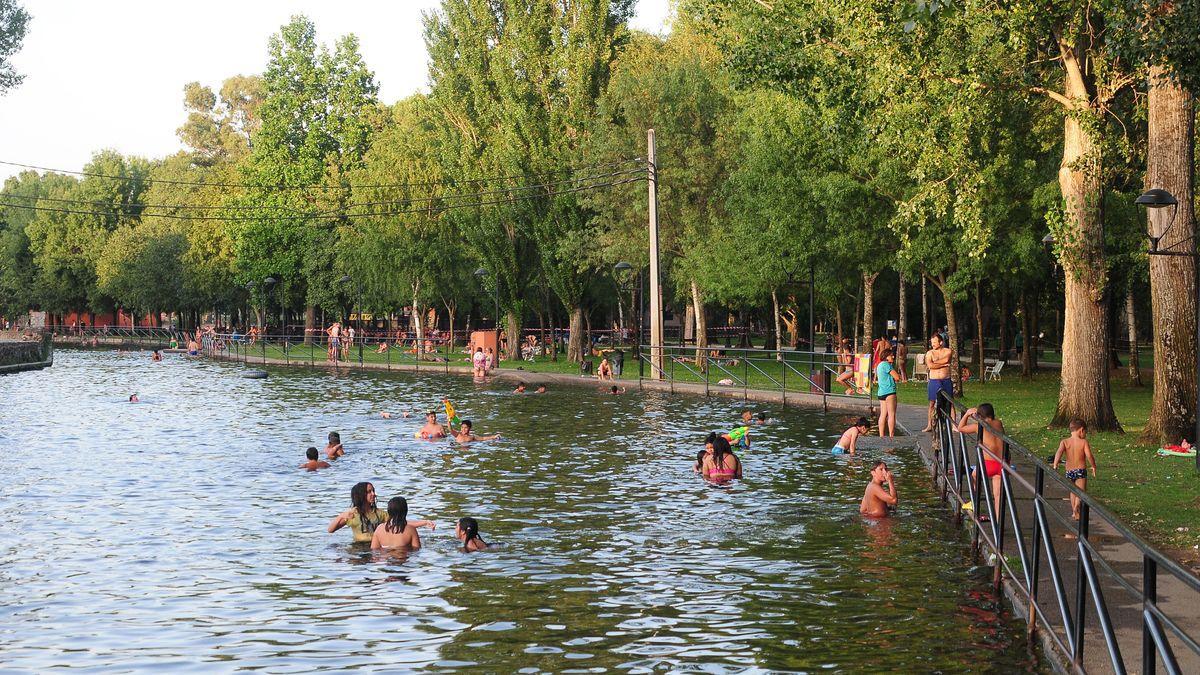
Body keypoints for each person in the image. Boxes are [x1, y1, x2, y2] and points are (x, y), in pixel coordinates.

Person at [956, 403, 1006, 521]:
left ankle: (974, 501)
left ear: (979, 416)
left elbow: (960, 428)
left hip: (989, 464)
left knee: (974, 476)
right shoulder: (999, 423)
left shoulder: (978, 426)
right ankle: (998, 524)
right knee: (998, 496)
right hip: (1003, 463)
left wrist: (967, 414)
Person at [1052, 419, 1098, 521]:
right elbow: (1089, 456)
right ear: (1081, 430)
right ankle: (1077, 506)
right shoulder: (1083, 442)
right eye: (1085, 432)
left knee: (1072, 492)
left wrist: (1055, 464)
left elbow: (1058, 452)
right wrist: (1093, 466)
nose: (1085, 434)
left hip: (1069, 471)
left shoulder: (1064, 442)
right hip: (1080, 470)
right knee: (1081, 492)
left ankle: (1074, 511)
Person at [922, 334, 954, 432]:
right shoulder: (929, 353)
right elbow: (930, 366)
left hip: (946, 380)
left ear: (941, 342)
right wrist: (943, 364)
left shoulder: (948, 351)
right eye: (932, 342)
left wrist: (936, 363)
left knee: (950, 402)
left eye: (935, 342)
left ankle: (954, 425)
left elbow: (946, 359)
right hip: (934, 381)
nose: (933, 344)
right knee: (932, 403)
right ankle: (929, 425)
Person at [876, 348, 899, 439]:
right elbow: (896, 377)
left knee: (883, 414)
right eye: (891, 355)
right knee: (891, 414)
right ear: (886, 357)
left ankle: (881, 435)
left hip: (881, 392)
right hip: (889, 391)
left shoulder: (879, 365)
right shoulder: (887, 365)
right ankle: (891, 436)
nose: (893, 356)